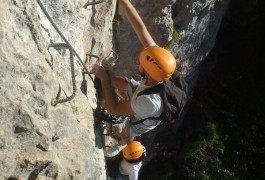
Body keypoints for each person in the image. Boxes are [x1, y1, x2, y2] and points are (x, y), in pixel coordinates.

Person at [91, 0, 176, 145]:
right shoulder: (158, 61)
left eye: (141, 63)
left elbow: (113, 108)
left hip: (146, 117)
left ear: (148, 72)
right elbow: (141, 28)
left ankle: (123, 143)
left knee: (128, 131)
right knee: (117, 81)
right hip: (145, 95)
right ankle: (129, 107)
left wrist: (104, 78)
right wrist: (125, 2)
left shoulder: (148, 104)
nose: (138, 62)